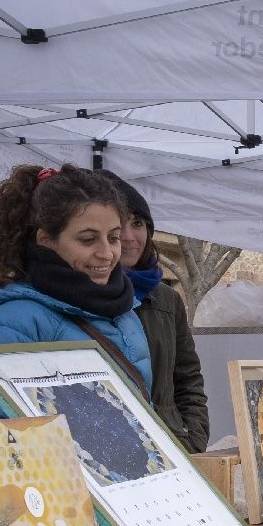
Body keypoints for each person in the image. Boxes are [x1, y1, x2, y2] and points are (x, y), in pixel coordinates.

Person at [0, 164, 151, 421]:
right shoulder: (12, 321)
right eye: (88, 240)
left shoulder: (124, 310)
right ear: (45, 239)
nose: (107, 253)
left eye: (113, 238)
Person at [98, 171, 210, 452]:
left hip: (172, 445)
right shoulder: (89, 295)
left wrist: (192, 439)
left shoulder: (167, 299)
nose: (129, 236)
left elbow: (188, 379)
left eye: (138, 223)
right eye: (119, 225)